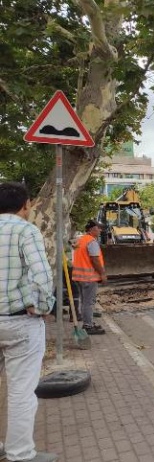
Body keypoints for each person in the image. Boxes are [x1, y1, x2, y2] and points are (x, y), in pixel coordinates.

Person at [0, 182, 58, 462]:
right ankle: (20, 454)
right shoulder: (26, 230)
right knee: (21, 393)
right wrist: (45, 306)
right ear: (26, 205)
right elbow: (42, 275)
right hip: (19, 322)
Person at [72, 220, 107, 335]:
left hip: (79, 277)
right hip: (89, 278)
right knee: (89, 302)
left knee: (84, 301)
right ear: (92, 229)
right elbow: (95, 259)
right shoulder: (91, 241)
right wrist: (102, 273)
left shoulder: (81, 240)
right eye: (98, 228)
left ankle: (88, 322)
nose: (100, 230)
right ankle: (88, 326)